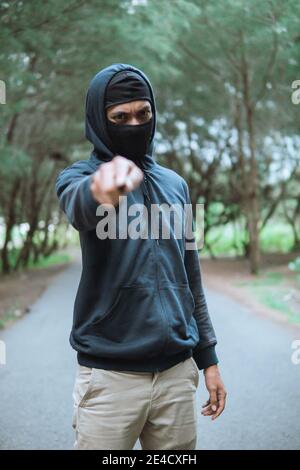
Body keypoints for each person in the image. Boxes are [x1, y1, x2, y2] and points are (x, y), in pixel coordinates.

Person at [55, 63, 227, 450]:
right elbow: (78, 206)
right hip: (110, 378)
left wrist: (209, 361)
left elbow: (190, 279)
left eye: (143, 113)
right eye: (120, 117)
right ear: (100, 121)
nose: (134, 124)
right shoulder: (79, 177)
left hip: (176, 377)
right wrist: (102, 188)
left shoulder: (175, 184)